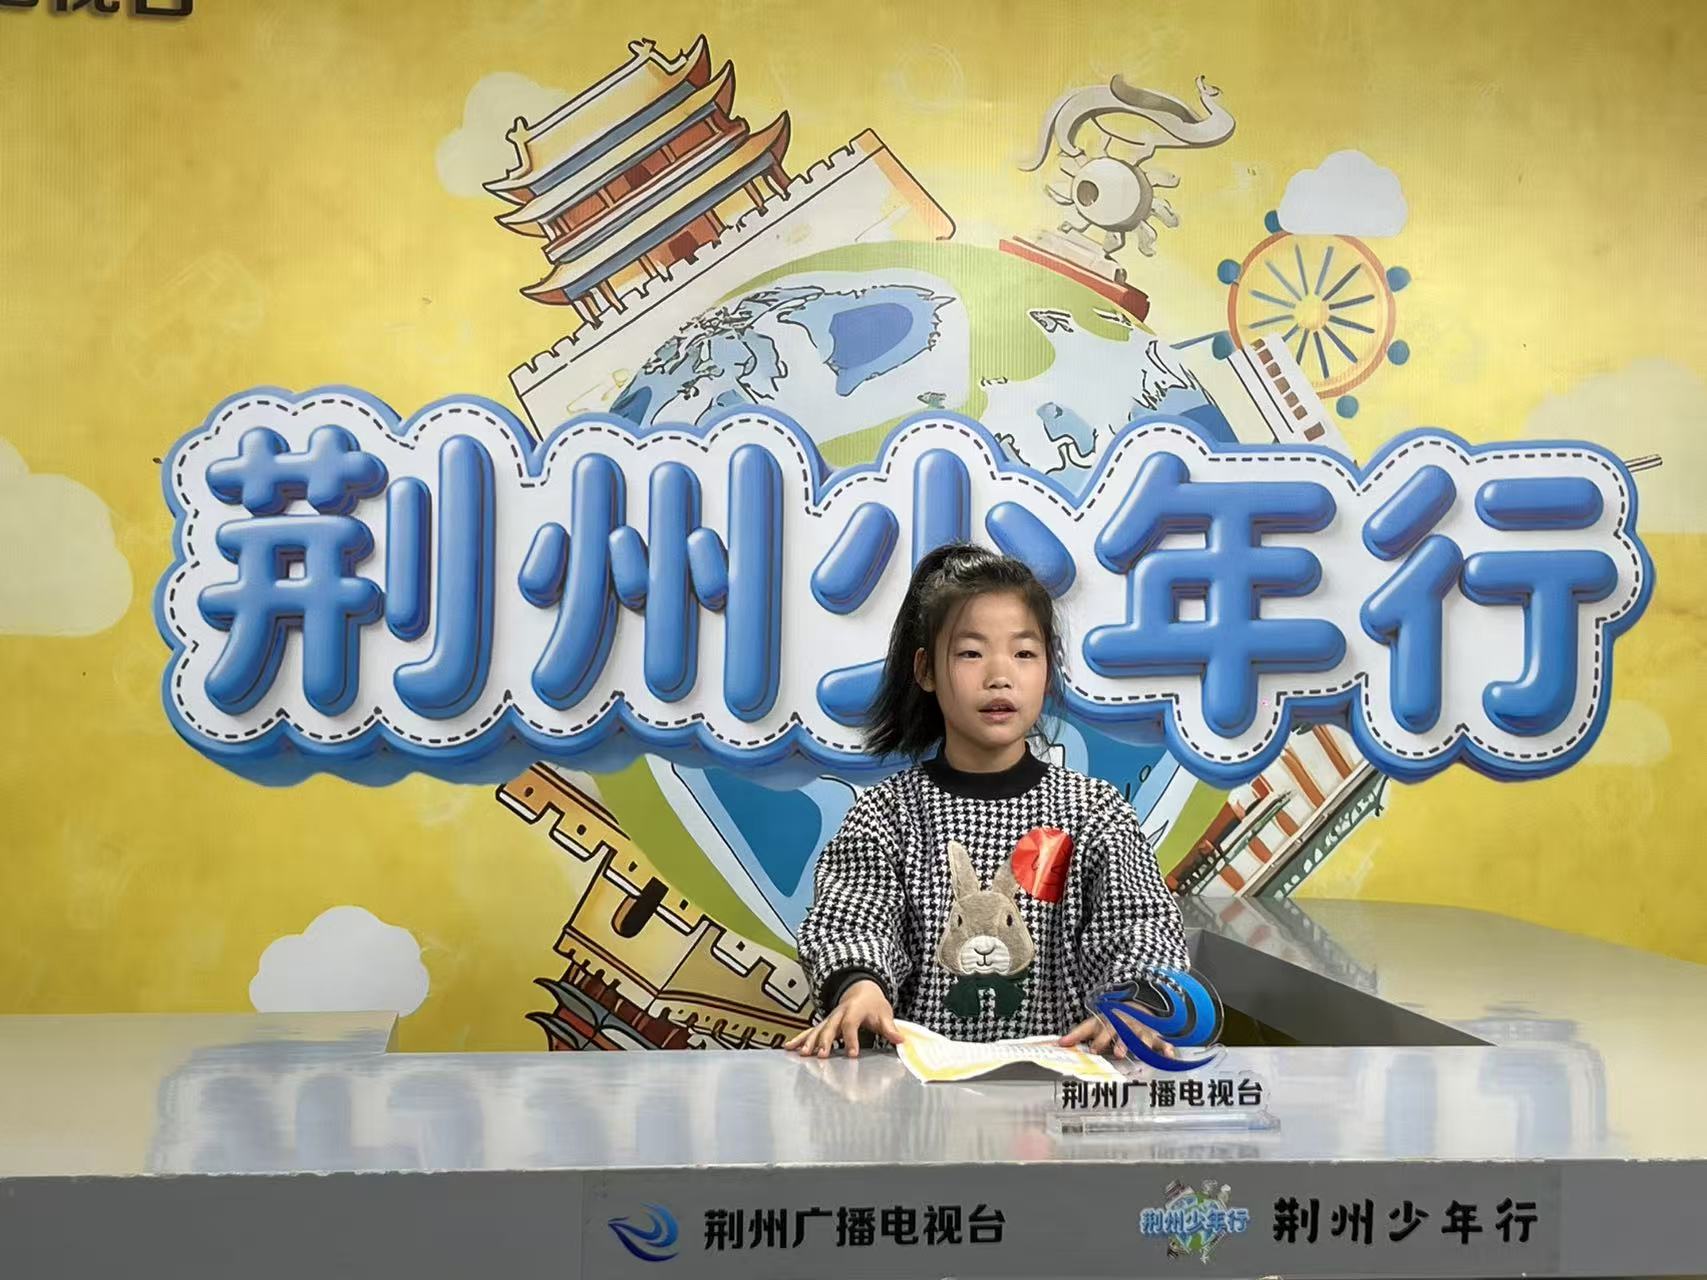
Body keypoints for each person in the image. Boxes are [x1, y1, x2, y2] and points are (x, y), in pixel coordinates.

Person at [786, 542, 1188, 1060]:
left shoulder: (1094, 812)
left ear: (1048, 669)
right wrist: (860, 988)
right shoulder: (887, 814)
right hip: (912, 1091)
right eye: (971, 653)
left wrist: (1135, 1001)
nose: (1000, 675)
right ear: (927, 670)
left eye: (1024, 653)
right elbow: (854, 920)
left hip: (1062, 1089)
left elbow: (1141, 924)